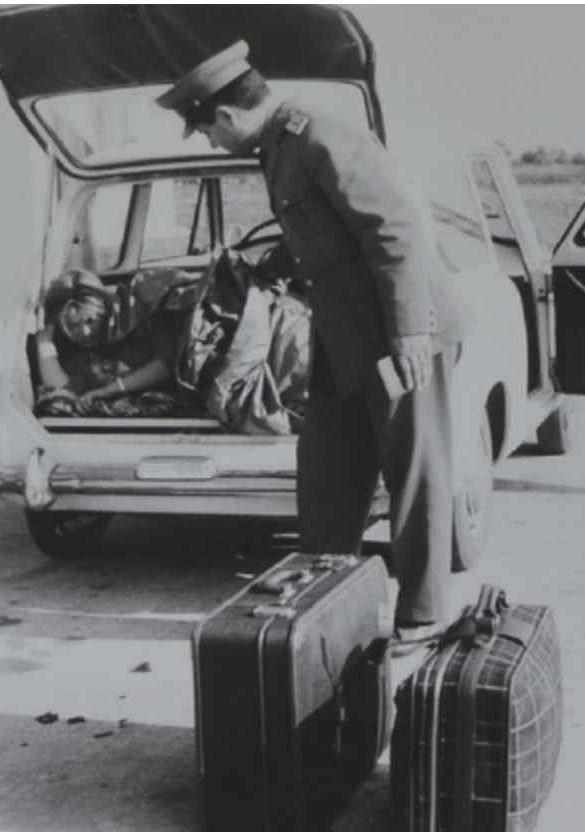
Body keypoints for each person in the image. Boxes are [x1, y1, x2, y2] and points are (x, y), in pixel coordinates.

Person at [157, 41, 476, 652]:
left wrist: (409, 331)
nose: (211, 144)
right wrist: (261, 269)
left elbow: (395, 230)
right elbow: (320, 232)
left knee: (413, 470)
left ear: (225, 115)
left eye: (206, 132)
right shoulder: (278, 146)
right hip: (345, 335)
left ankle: (425, 612)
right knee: (328, 469)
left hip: (400, 331)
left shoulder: (321, 136)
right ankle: (323, 601)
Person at [35, 268, 189, 413]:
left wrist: (109, 390)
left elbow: (170, 360)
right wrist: (44, 341)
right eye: (72, 326)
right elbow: (63, 395)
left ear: (103, 306)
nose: (85, 332)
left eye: (91, 320)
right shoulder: (76, 356)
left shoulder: (138, 319)